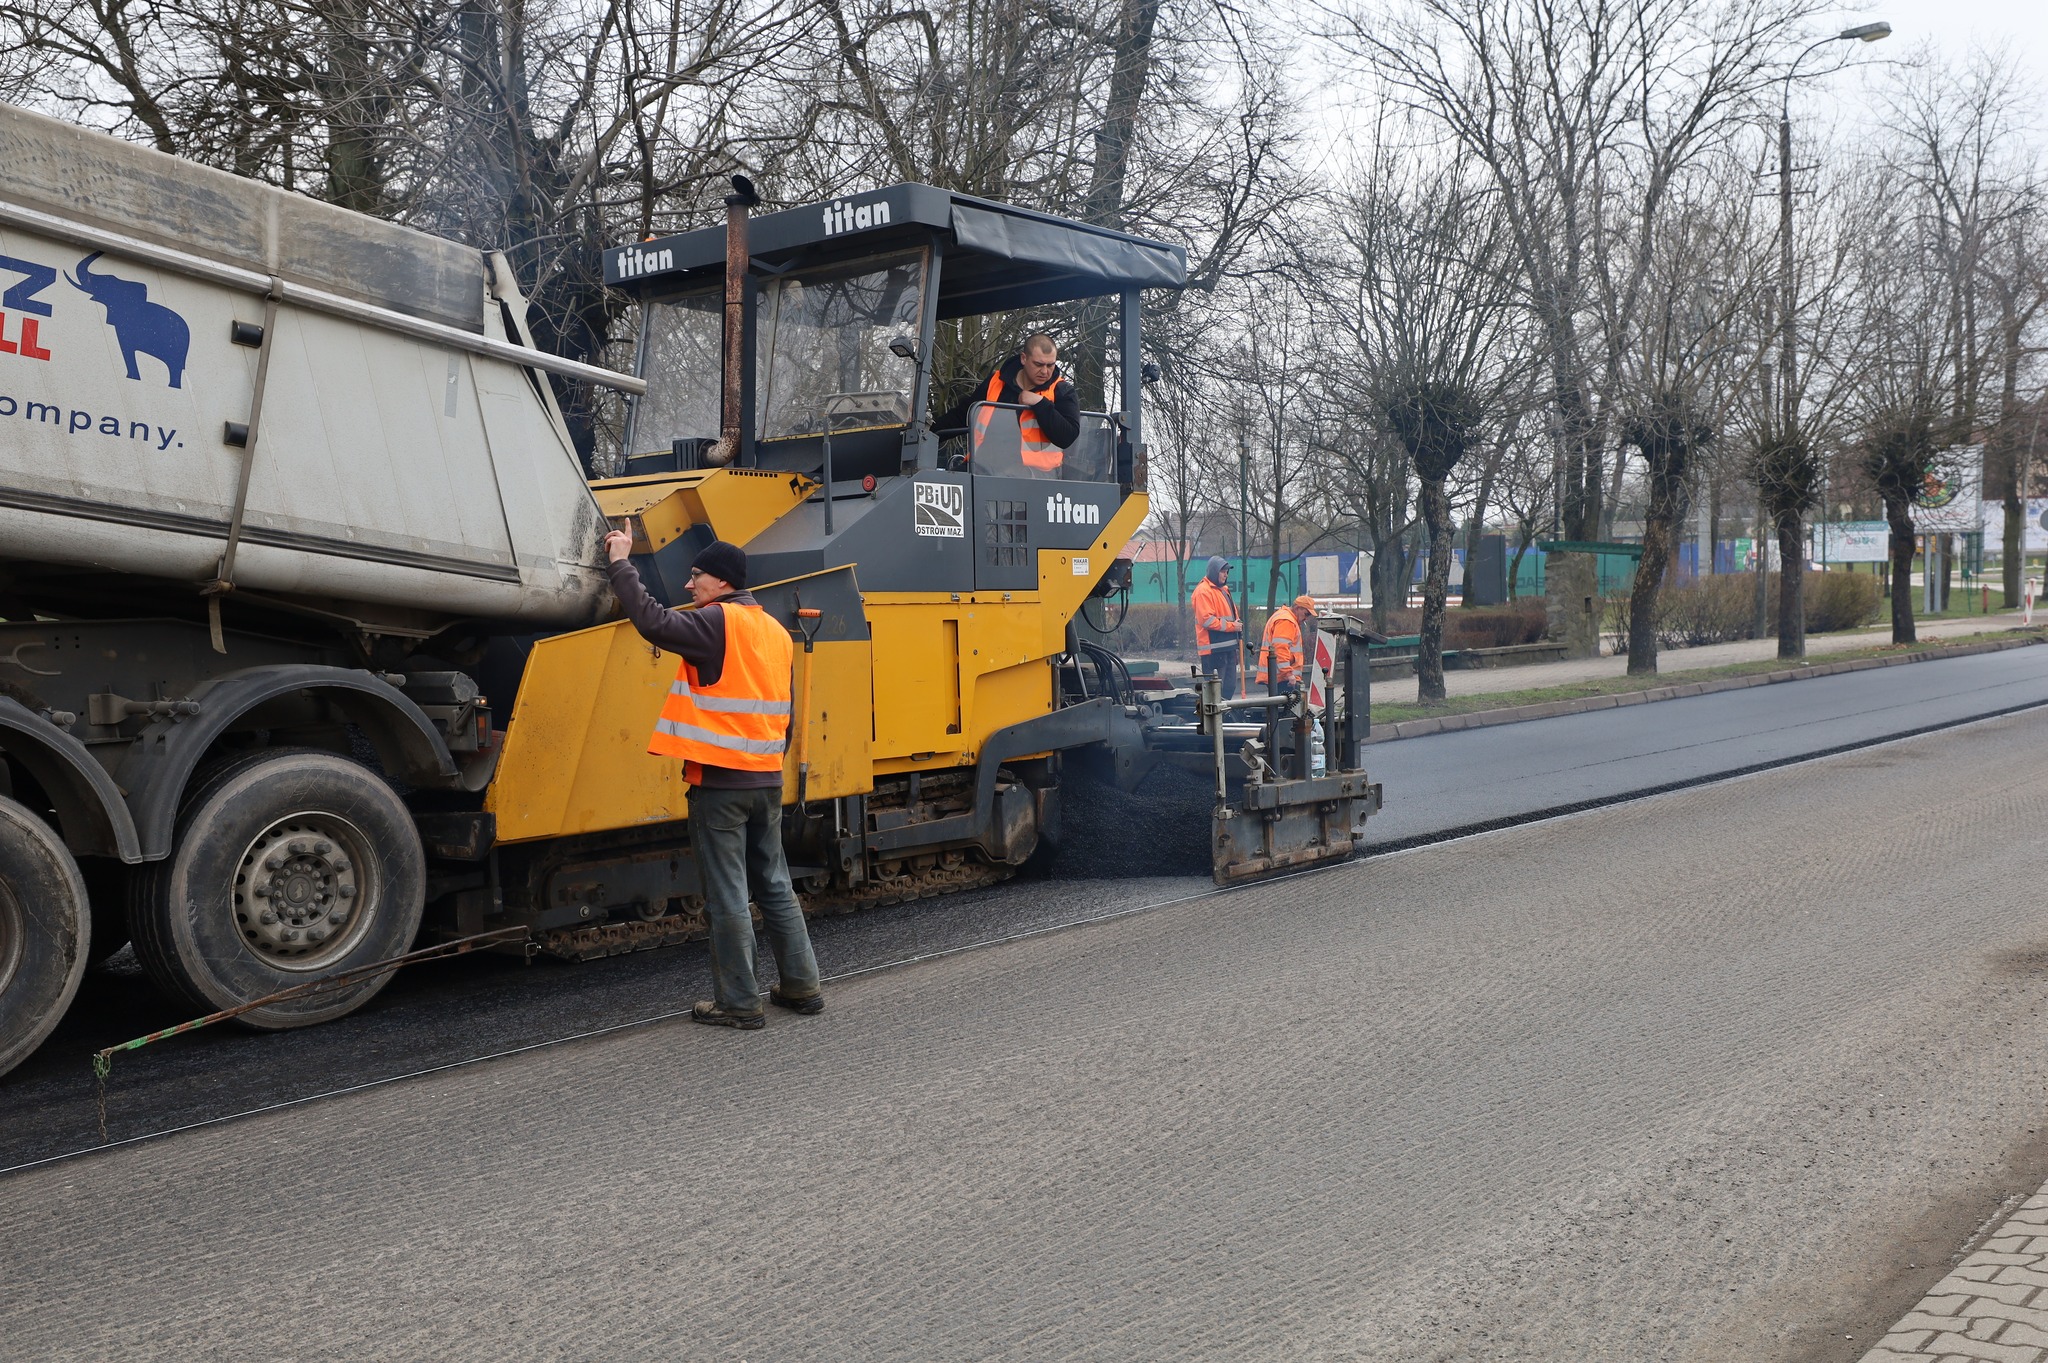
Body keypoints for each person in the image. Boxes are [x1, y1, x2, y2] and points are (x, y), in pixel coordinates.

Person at [602, 529, 824, 1030]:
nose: (688, 585)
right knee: (775, 884)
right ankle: (802, 986)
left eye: (696, 576)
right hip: (767, 780)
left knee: (727, 892)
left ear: (721, 581)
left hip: (721, 785)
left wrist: (620, 563)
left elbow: (652, 622)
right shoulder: (774, 631)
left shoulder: (716, 622)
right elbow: (783, 714)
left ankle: (740, 1002)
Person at [938, 333, 1081, 473]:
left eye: (1050, 365)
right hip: (982, 466)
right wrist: (927, 434)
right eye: (1038, 364)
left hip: (1035, 476)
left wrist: (1040, 404)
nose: (1045, 371)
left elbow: (1068, 436)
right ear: (1024, 358)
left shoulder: (1061, 390)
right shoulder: (996, 382)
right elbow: (964, 414)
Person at [1191, 555, 1242, 700]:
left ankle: (1224, 719)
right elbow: (1206, 620)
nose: (1226, 574)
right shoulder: (1203, 591)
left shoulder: (1223, 590)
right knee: (1215, 692)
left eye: (1227, 571)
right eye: (1223, 571)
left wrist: (1236, 624)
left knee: (1228, 687)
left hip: (1227, 649)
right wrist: (1233, 626)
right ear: (1214, 571)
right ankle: (1215, 721)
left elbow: (1230, 615)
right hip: (1213, 650)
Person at [1257, 594, 1318, 694]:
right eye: (1306, 614)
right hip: (1282, 678)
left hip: (1279, 676)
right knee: (1284, 707)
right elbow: (1280, 649)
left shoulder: (1284, 617)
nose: (1306, 618)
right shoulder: (1287, 621)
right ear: (1298, 608)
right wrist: (1288, 674)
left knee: (1279, 707)